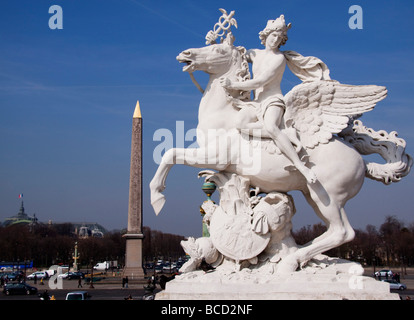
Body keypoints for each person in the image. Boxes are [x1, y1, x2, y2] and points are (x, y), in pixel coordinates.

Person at [220, 15, 320, 184]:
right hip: (255, 103)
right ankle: (286, 134)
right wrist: (221, 42)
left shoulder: (278, 58)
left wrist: (233, 84)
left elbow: (260, 81)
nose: (276, 40)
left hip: (273, 101)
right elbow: (232, 54)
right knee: (239, 124)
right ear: (265, 35)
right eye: (274, 35)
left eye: (280, 38)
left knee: (272, 127)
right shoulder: (254, 53)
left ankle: (300, 166)